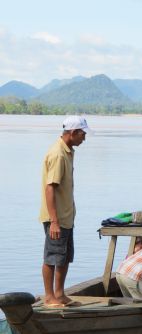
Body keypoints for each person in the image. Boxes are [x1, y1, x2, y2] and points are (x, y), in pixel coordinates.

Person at [39, 116, 90, 307]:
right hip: (57, 218)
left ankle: (59, 294)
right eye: (83, 134)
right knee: (52, 257)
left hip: (66, 216)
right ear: (72, 132)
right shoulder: (58, 154)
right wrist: (53, 221)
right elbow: (50, 187)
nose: (84, 138)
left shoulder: (68, 152)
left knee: (64, 257)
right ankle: (49, 297)